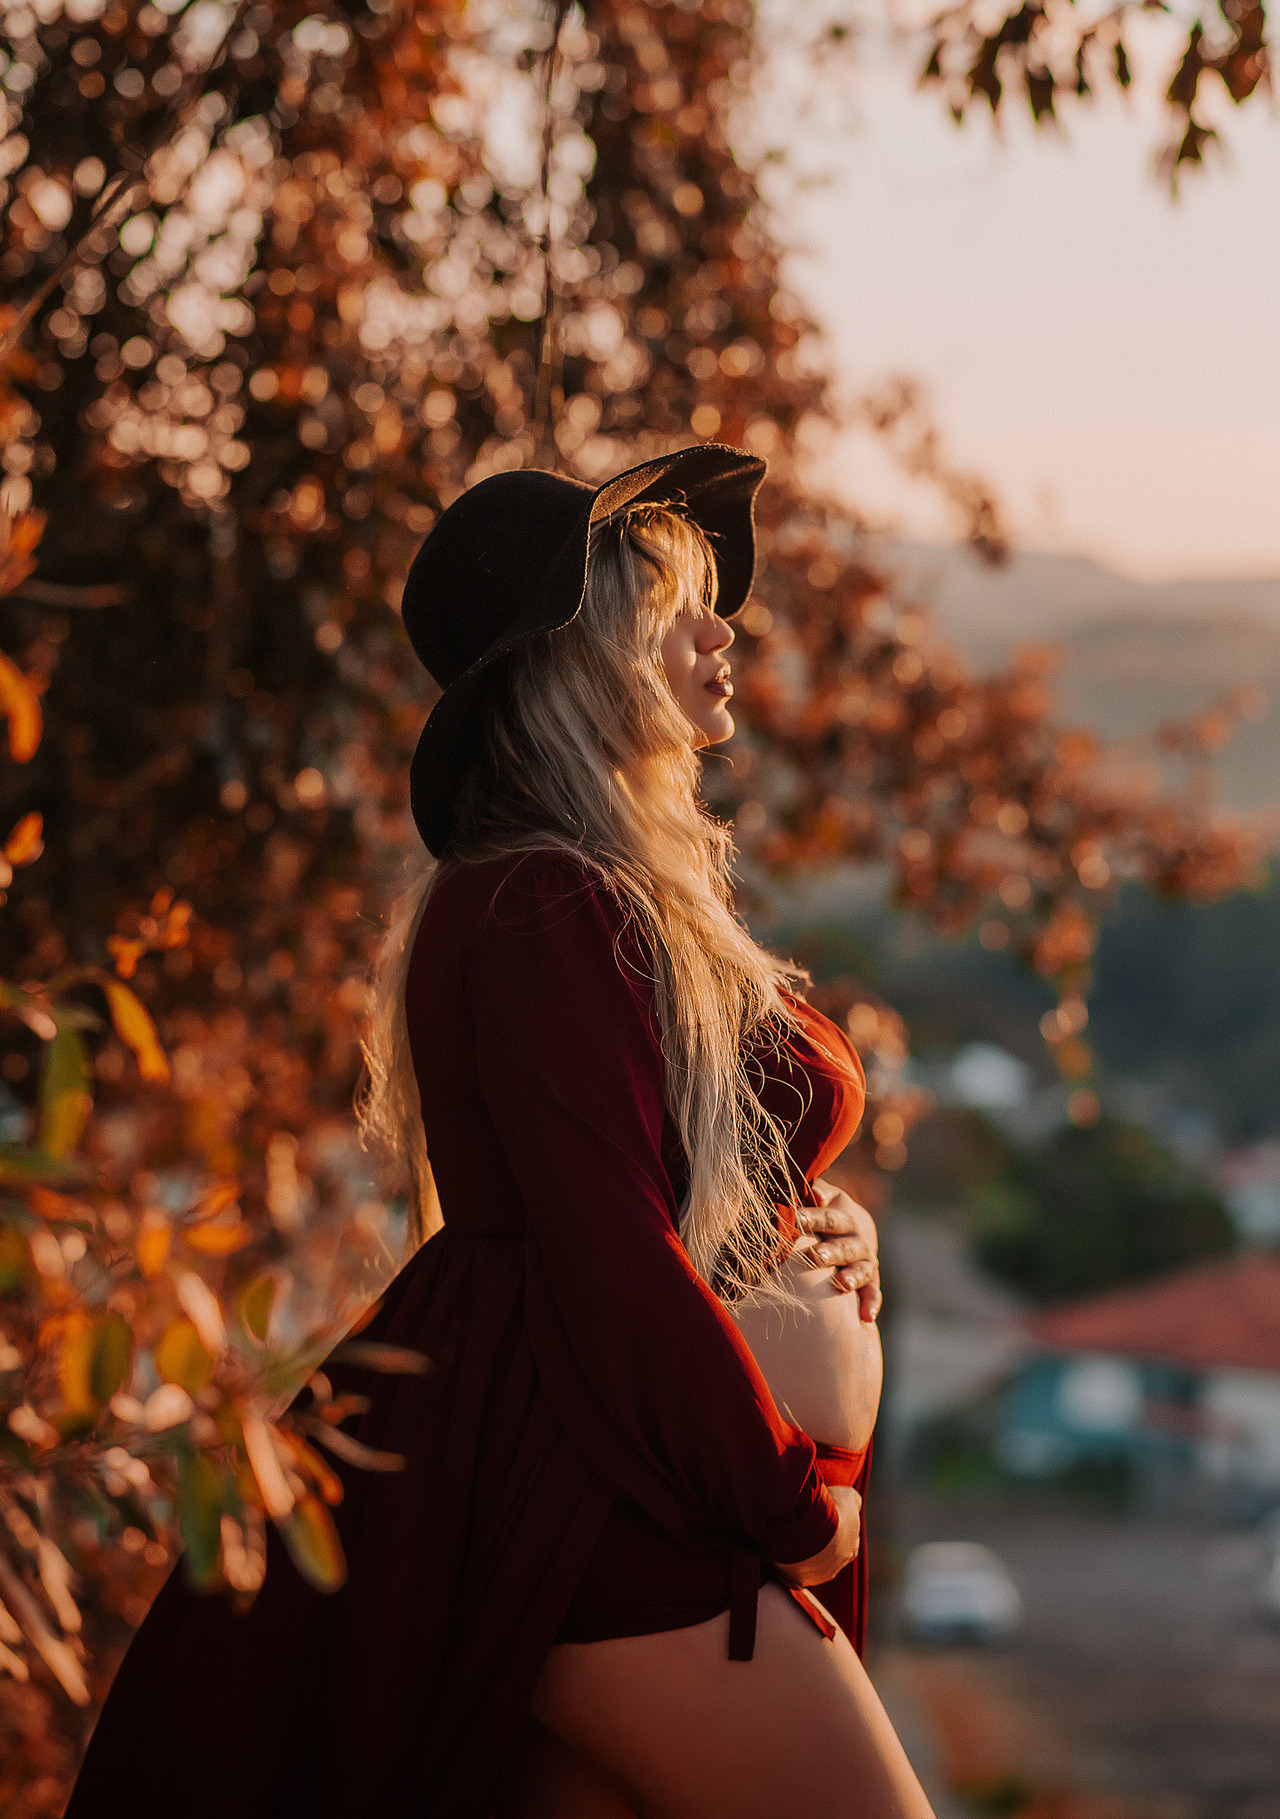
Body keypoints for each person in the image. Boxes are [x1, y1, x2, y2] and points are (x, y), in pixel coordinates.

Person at [67, 445, 933, 1819]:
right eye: (678, 608)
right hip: (604, 1509)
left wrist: (826, 1228)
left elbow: (680, 1179)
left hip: (632, 1485)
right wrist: (794, 1509)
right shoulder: (541, 905)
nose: (724, 635)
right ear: (581, 655)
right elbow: (609, 1253)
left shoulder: (600, 894)